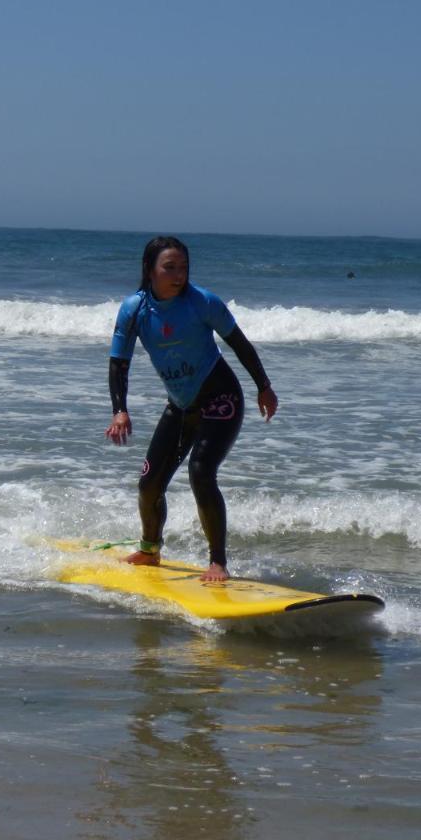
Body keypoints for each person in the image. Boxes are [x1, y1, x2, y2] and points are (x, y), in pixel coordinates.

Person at [104, 236, 278, 583]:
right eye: (170, 268)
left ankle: (218, 562)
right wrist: (119, 410)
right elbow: (118, 363)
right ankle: (150, 550)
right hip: (181, 406)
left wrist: (264, 386)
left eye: (183, 267)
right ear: (149, 270)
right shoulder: (134, 310)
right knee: (149, 484)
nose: (178, 275)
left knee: (201, 471)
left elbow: (239, 344)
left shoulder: (202, 302)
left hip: (221, 398)